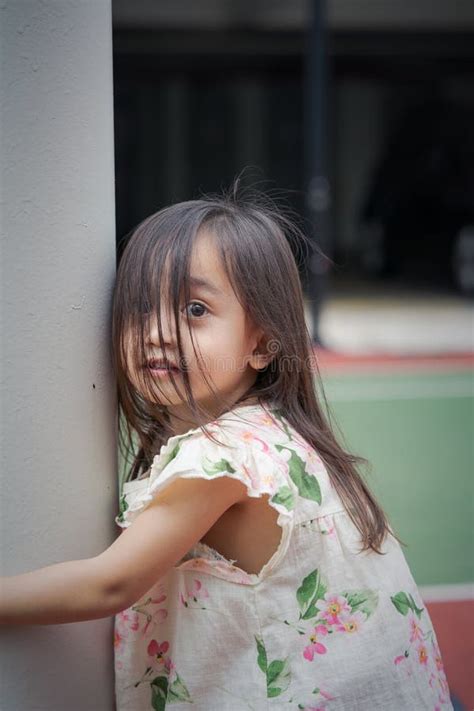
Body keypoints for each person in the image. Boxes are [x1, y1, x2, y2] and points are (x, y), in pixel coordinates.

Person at [0, 188, 453, 711]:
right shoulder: (274, 431)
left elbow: (110, 584)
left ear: (261, 343)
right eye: (141, 306)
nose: (157, 332)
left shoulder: (223, 459)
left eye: (194, 309)